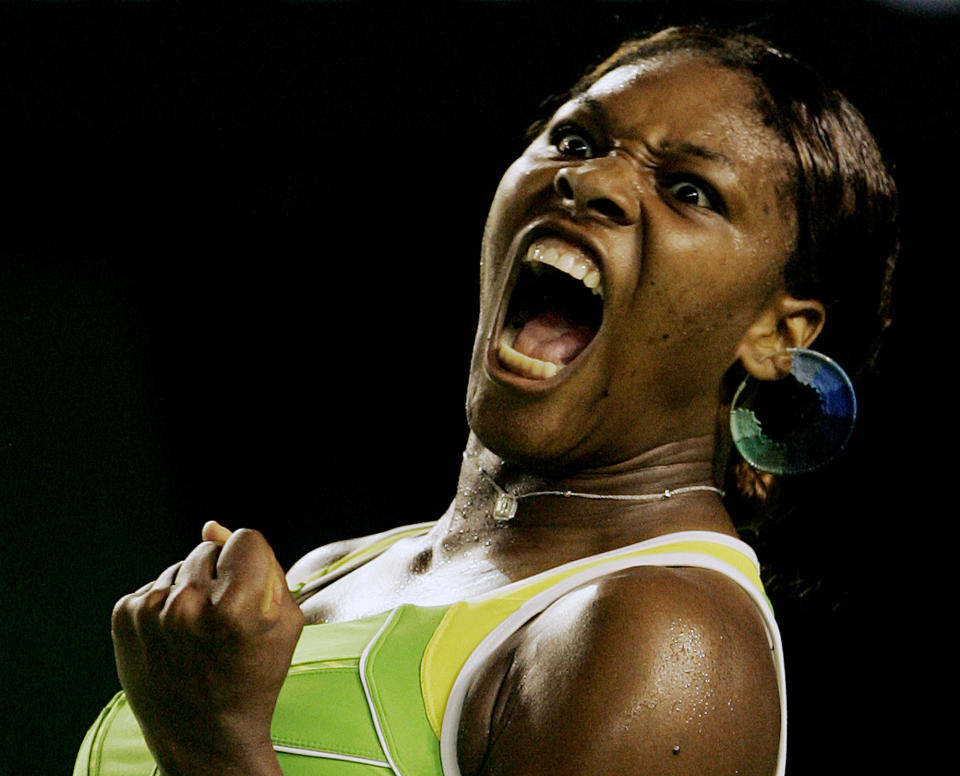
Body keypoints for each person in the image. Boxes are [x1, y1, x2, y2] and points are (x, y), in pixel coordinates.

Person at [74, 25, 897, 776]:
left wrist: (211, 746)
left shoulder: (672, 639)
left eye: (688, 190)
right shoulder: (332, 572)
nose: (593, 181)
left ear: (777, 334)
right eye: (575, 138)